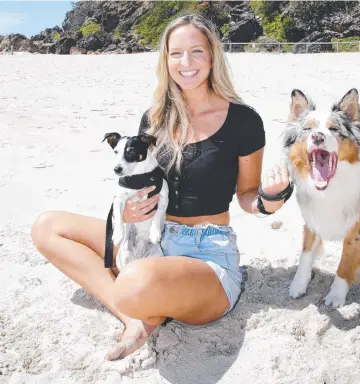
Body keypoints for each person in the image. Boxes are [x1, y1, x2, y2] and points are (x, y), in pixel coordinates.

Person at [31, 14, 291, 361]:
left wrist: (269, 201)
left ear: (212, 56)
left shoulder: (244, 121)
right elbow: (137, 183)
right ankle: (133, 319)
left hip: (206, 254)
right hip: (151, 235)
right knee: (47, 227)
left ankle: (142, 303)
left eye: (196, 52)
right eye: (176, 53)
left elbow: (247, 194)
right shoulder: (154, 118)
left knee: (134, 280)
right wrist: (126, 210)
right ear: (165, 60)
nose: (186, 63)